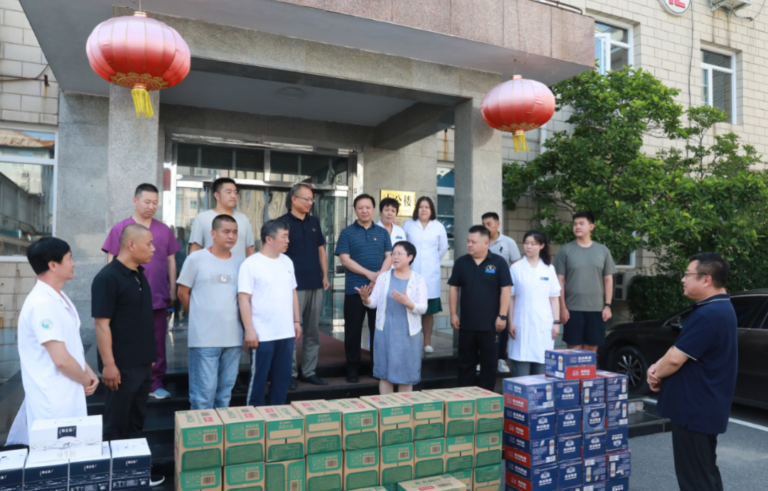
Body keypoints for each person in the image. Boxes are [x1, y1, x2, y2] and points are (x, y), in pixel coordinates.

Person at [648, 253, 737, 491]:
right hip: (703, 406)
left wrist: (656, 373)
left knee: (695, 479)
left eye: (687, 274)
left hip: (695, 410)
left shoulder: (709, 314)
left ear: (706, 279)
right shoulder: (718, 307)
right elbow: (681, 348)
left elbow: (676, 360)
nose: (683, 280)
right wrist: (658, 365)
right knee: (705, 472)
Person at [6, 238, 99, 446]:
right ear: (53, 265)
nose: (73, 263)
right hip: (53, 400)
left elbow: (70, 346)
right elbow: (61, 360)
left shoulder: (58, 297)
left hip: (66, 394)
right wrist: (85, 380)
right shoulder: (42, 304)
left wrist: (88, 371)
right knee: (55, 465)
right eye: (69, 258)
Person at [102, 183, 180, 400]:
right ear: (135, 201)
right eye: (147, 201)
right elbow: (111, 261)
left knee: (157, 341)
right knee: (126, 339)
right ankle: (125, 381)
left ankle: (155, 383)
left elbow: (170, 259)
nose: (151, 206)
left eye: (155, 202)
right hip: (126, 298)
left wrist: (172, 288)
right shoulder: (121, 229)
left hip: (157, 296)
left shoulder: (164, 230)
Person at [93, 224, 157, 440]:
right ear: (131, 244)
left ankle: (134, 470)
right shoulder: (108, 278)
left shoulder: (139, 274)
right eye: (149, 244)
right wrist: (109, 365)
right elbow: (102, 324)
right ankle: (116, 472)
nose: (153, 248)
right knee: (117, 424)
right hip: (121, 367)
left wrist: (150, 357)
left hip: (142, 362)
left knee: (136, 421)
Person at [177, 215, 245, 410]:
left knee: (224, 396)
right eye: (226, 231)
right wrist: (198, 316)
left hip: (233, 339)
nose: (231, 236)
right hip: (204, 339)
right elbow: (182, 292)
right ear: (213, 234)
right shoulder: (196, 258)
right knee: (203, 397)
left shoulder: (241, 263)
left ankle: (218, 439)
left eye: (235, 232)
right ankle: (200, 438)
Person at [238, 219, 302, 406]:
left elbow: (293, 293)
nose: (288, 240)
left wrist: (296, 322)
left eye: (287, 236)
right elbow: (243, 299)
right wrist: (249, 330)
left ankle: (276, 420)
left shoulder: (287, 261)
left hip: (286, 332)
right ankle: (254, 421)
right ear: (269, 239)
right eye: (284, 236)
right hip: (262, 334)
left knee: (281, 381)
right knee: (258, 382)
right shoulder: (251, 264)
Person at [357, 241, 428, 394]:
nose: (394, 257)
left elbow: (423, 307)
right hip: (385, 331)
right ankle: (386, 411)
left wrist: (408, 303)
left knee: (406, 375)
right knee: (384, 374)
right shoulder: (383, 277)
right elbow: (373, 303)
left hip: (408, 334)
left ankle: (403, 412)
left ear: (410, 257)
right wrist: (365, 298)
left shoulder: (418, 279)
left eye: (399, 254)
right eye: (393, 253)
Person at [335, 194, 392, 383]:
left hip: (379, 290)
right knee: (353, 331)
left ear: (373, 209)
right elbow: (345, 260)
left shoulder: (383, 232)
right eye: (360, 207)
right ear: (355, 210)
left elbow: (389, 257)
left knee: (378, 330)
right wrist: (369, 274)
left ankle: (377, 367)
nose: (364, 210)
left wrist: (377, 279)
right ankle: (352, 368)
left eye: (368, 207)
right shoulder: (347, 233)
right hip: (355, 290)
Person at [448, 225, 512, 391]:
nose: (469, 244)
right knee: (465, 365)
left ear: (486, 243)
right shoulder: (461, 262)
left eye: (473, 242)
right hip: (467, 325)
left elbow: (506, 289)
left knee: (489, 366)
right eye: (468, 241)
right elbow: (454, 288)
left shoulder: (498, 262)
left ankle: (487, 403)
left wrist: (502, 316)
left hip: (491, 325)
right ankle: (463, 401)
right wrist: (453, 314)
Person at [280, 183, 330, 390]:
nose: (310, 203)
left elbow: (321, 250)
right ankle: (289, 373)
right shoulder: (281, 223)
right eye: (306, 199)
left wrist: (325, 275)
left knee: (312, 331)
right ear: (294, 199)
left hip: (315, 284)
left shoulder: (314, 222)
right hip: (292, 287)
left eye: (312, 200)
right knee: (290, 330)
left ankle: (309, 371)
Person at [554, 211, 616, 352]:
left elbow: (608, 279)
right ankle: (575, 375)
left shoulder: (603, 250)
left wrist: (608, 306)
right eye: (575, 224)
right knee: (574, 351)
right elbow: (559, 281)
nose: (577, 227)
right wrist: (562, 308)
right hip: (572, 309)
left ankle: (588, 375)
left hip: (596, 309)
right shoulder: (565, 250)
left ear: (591, 227)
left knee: (590, 351)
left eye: (581, 223)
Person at [507, 230, 561, 376]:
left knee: (542, 368)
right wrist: (510, 322)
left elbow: (554, 297)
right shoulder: (516, 268)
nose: (528, 247)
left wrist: (556, 322)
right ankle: (519, 399)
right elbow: (511, 297)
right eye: (526, 243)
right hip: (521, 323)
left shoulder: (549, 269)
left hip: (543, 323)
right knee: (521, 368)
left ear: (542, 245)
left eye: (533, 244)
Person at [403, 197, 448, 354]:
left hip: (430, 274)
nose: (423, 210)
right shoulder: (408, 225)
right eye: (421, 207)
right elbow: (403, 247)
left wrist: (432, 261)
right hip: (410, 272)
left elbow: (443, 249)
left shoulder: (438, 227)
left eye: (427, 207)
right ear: (417, 209)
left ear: (431, 210)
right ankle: (410, 340)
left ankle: (427, 342)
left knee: (428, 310)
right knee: (410, 306)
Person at [482, 212, 521, 374]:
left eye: (489, 224)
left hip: (503, 290)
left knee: (502, 324)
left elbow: (517, 266)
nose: (486, 227)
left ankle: (500, 359)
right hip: (483, 290)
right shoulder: (480, 241)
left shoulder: (508, 243)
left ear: (498, 224)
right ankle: (481, 359)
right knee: (483, 324)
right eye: (483, 224)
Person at [190, 177, 255, 258]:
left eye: (235, 192)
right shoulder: (202, 218)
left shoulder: (243, 219)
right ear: (217, 195)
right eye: (229, 192)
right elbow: (196, 248)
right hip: (212, 269)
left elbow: (249, 249)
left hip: (239, 269)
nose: (233, 196)